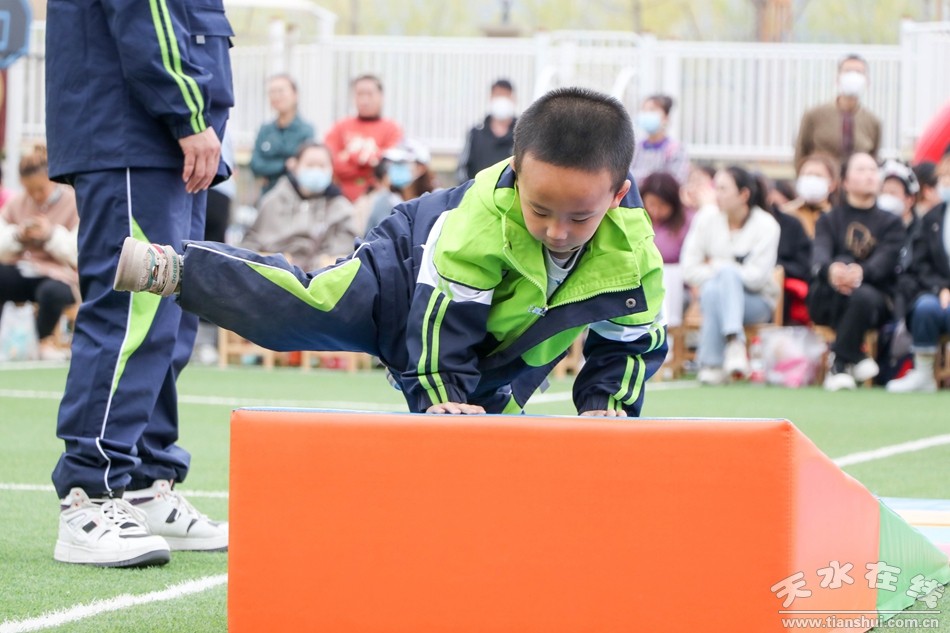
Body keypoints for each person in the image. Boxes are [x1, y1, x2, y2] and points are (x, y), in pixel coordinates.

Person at [114, 87, 667, 418]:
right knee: (301, 311)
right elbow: (440, 318)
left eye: (580, 217)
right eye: (540, 210)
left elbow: (632, 343)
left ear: (616, 196)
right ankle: (179, 269)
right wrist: (437, 395)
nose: (557, 232)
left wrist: (607, 406)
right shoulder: (477, 220)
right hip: (404, 277)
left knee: (490, 443)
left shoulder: (632, 256)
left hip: (506, 343)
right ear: (516, 175)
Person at [45, 0, 233, 567]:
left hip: (162, 136)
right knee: (132, 315)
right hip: (135, 128)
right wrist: (188, 112)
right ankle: (89, 492)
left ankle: (146, 483)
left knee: (172, 316)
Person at [808, 152, 905, 391]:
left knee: (861, 295)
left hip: (874, 300)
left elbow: (885, 262)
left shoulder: (892, 222)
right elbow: (819, 253)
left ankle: (839, 362)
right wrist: (832, 271)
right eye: (861, 170)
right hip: (828, 297)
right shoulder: (829, 219)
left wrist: (858, 274)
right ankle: (857, 356)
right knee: (840, 262)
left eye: (873, 170)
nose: (869, 176)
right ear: (845, 181)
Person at [680, 166, 780, 386]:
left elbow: (756, 278)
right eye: (716, 187)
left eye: (723, 188)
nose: (717, 194)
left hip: (757, 302)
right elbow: (688, 268)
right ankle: (731, 347)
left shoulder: (767, 225)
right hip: (712, 296)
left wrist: (721, 267)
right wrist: (725, 272)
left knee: (723, 279)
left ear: (744, 194)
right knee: (715, 290)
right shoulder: (705, 218)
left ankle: (713, 362)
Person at [0, 145, 79, 362]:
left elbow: (77, 252)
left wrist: (50, 235)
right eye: (29, 190)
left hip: (59, 276)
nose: (35, 196)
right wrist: (18, 236)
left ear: (51, 180)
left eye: (40, 189)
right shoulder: (16, 203)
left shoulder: (73, 202)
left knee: (53, 292)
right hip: (22, 270)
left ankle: (41, 341)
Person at [887, 145, 950, 392]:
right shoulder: (932, 218)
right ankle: (923, 374)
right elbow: (920, 264)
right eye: (945, 175)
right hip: (938, 296)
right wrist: (941, 288)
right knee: (925, 307)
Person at [242, 142, 359, 271]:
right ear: (296, 166)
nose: (316, 171)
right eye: (310, 165)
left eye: (322, 166)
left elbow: (347, 252)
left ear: (331, 169)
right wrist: (270, 260)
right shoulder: (273, 201)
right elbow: (249, 244)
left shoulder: (341, 209)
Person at [324, 74, 403, 202]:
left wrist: (350, 156)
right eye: (359, 94)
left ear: (381, 96)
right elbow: (331, 162)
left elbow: (387, 166)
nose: (364, 100)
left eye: (370, 94)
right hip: (340, 198)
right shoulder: (340, 127)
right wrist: (368, 160)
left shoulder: (392, 129)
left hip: (377, 198)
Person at [794, 54, 881, 169]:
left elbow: (873, 158)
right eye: (848, 71)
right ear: (838, 78)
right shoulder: (814, 115)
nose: (853, 76)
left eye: (859, 72)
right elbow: (801, 151)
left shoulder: (873, 122)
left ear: (867, 81)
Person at [639, 171, 693, 330]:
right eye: (652, 204)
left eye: (662, 205)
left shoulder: (686, 223)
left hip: (676, 288)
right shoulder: (638, 220)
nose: (656, 210)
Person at [249, 74, 316, 197]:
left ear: (295, 95)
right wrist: (285, 165)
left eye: (281, 91)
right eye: (272, 92)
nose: (276, 96)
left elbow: (303, 166)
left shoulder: (306, 130)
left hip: (296, 196)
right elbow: (256, 165)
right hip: (267, 195)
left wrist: (270, 168)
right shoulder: (265, 130)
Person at [364, 141, 435, 235]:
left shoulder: (435, 201)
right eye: (394, 164)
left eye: (402, 163)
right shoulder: (384, 201)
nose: (396, 168)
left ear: (421, 168)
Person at [457, 79, 517, 183]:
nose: (502, 101)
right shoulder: (476, 133)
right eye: (498, 95)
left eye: (506, 95)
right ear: (491, 97)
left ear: (513, 98)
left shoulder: (522, 133)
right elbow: (463, 169)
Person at [630, 94, 689, 186]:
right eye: (644, 110)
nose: (646, 115)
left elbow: (675, 181)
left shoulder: (675, 149)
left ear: (666, 118)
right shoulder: (635, 147)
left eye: (652, 110)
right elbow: (625, 177)